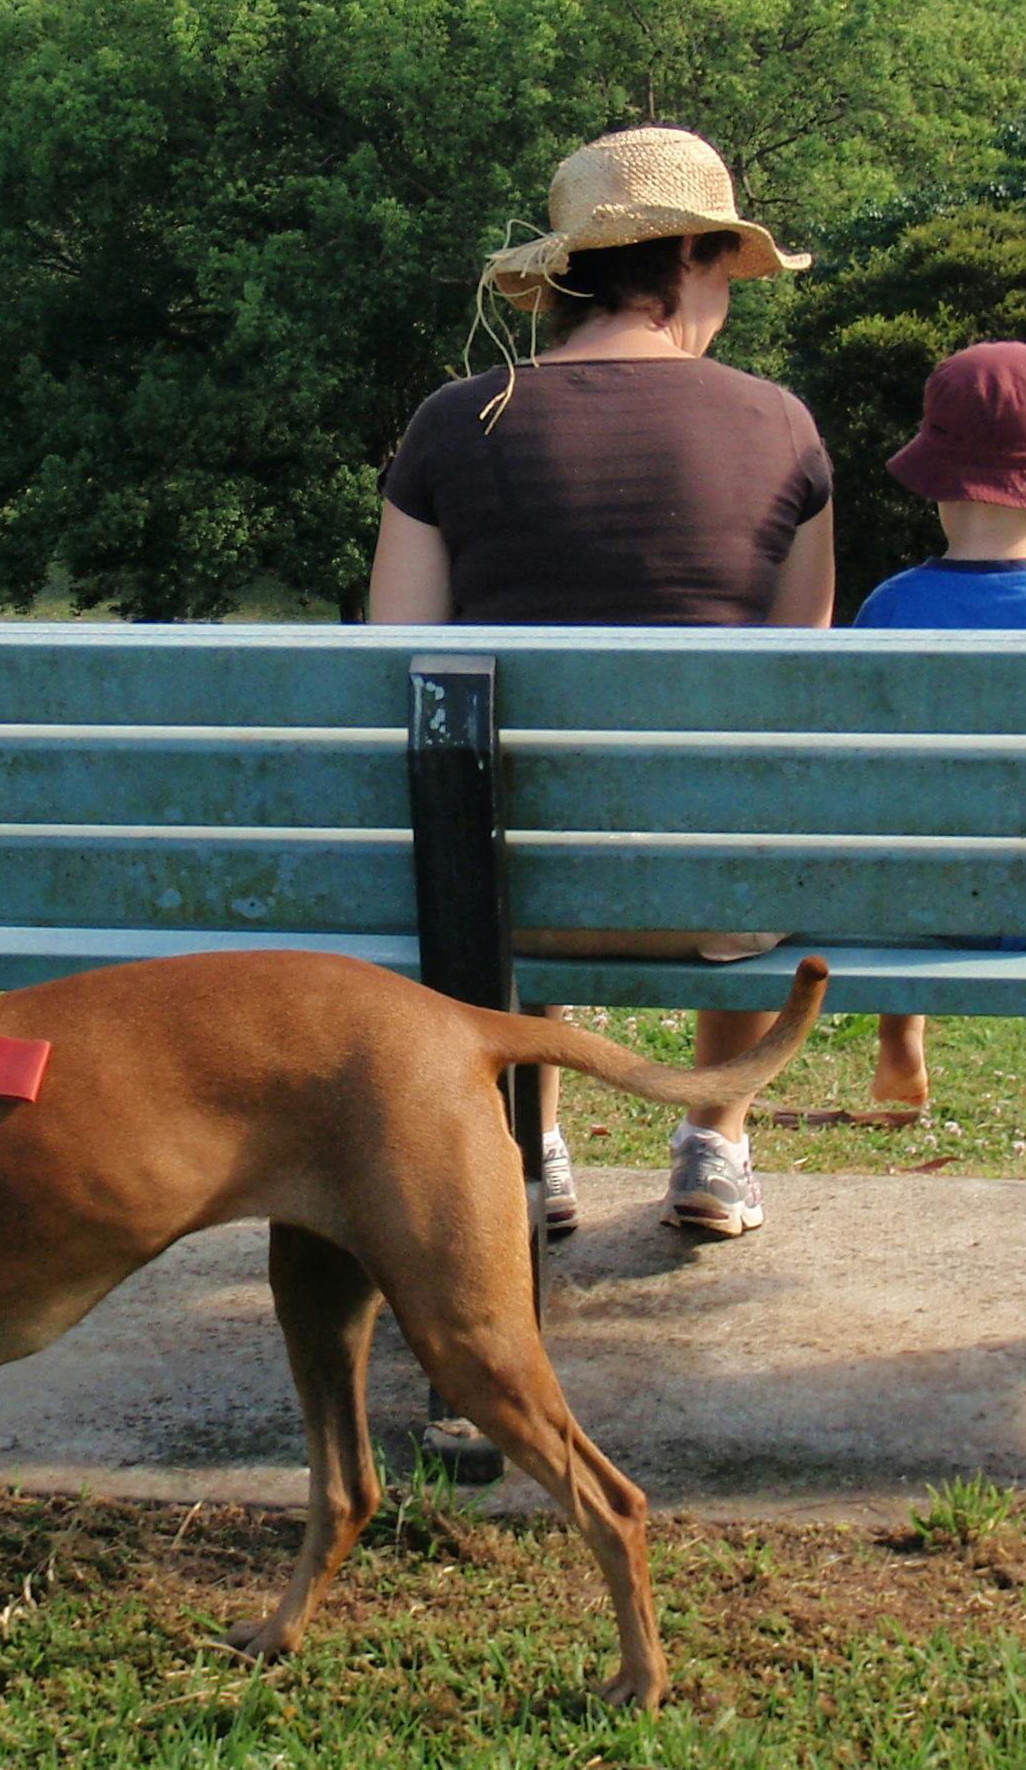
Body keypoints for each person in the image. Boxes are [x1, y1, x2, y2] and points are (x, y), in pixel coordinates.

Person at [368, 125, 832, 1238]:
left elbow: (396, 655)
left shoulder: (453, 422)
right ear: (689, 259)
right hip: (713, 905)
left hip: (495, 893)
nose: (728, 298)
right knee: (738, 789)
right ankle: (716, 1139)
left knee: (503, 794)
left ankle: (529, 1145)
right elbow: (797, 678)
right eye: (725, 268)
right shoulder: (780, 424)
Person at [853, 340, 1026, 1107]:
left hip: (919, 902)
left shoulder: (892, 607)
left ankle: (901, 1044)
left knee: (903, 834)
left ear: (938, 488)